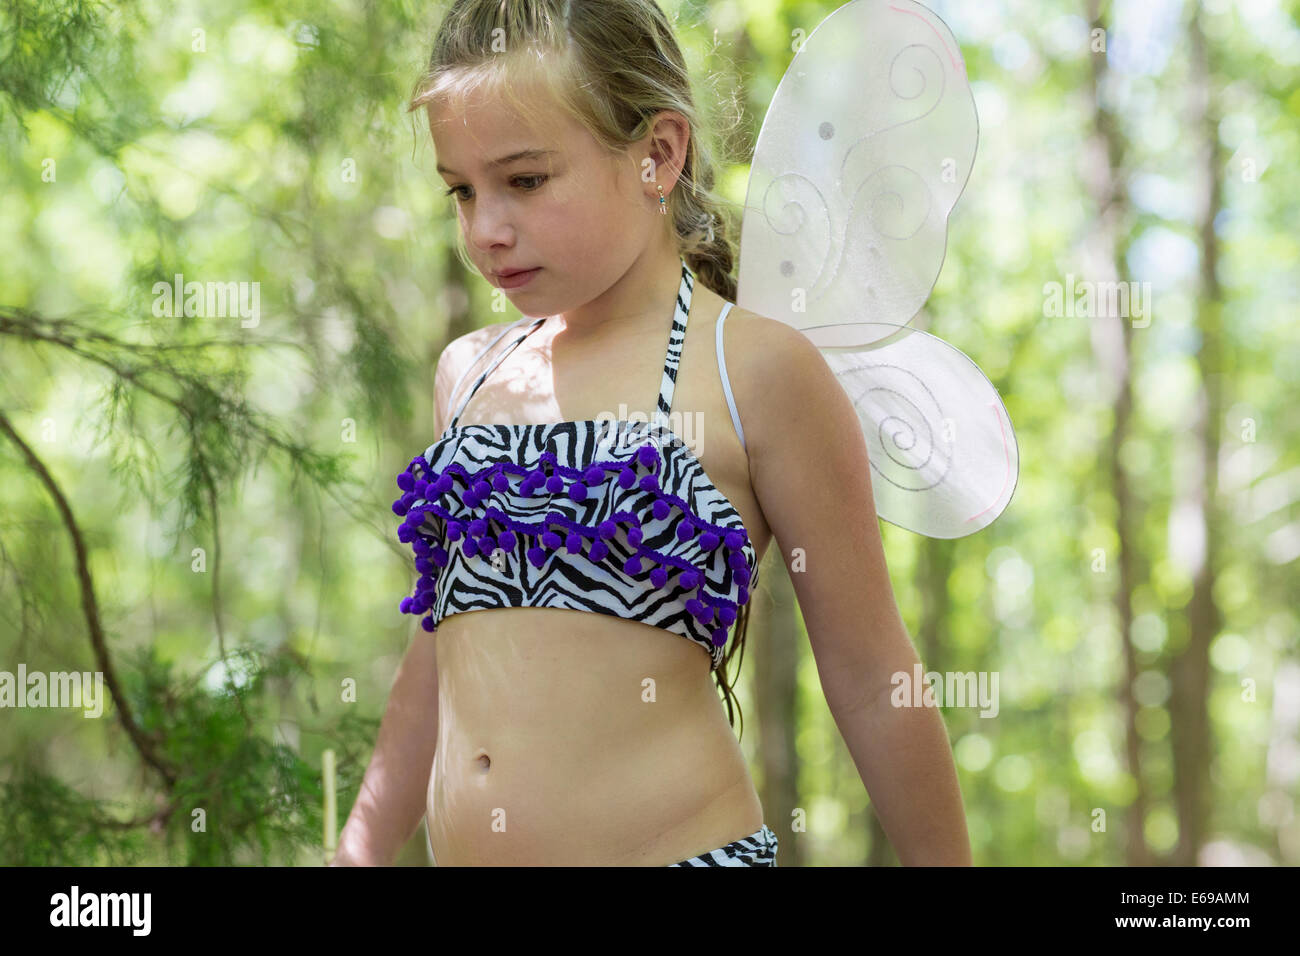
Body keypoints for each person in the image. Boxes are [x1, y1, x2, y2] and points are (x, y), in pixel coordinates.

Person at [333, 0, 970, 867]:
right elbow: (446, 641)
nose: (485, 228)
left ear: (657, 154)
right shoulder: (471, 372)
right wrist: (360, 846)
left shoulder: (753, 369)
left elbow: (869, 676)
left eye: (524, 180)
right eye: (461, 189)